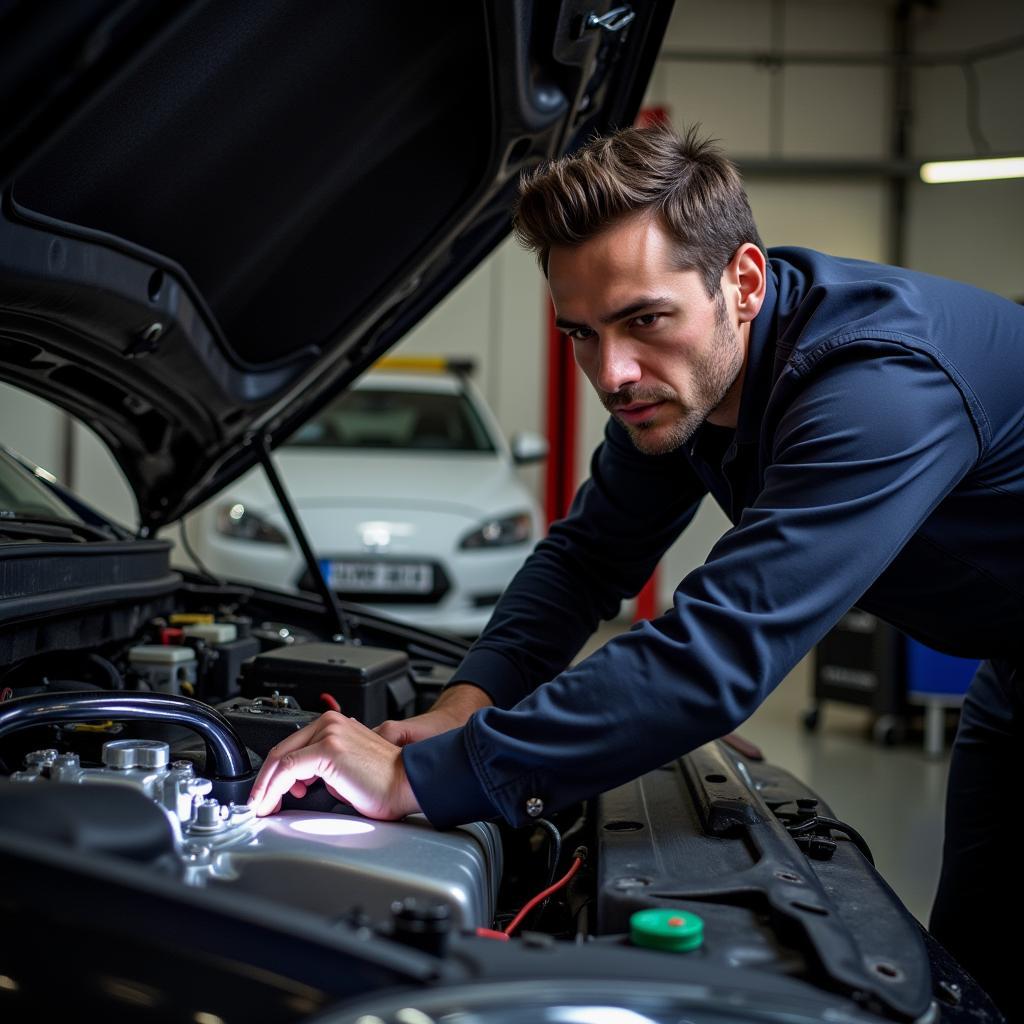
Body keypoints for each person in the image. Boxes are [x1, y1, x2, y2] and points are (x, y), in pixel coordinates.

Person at [248, 122, 1024, 1017]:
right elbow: (586, 560)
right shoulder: (683, 383)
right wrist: (470, 701)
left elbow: (713, 656)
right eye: (581, 333)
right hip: (1009, 670)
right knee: (977, 971)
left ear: (742, 281)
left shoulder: (879, 388)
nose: (612, 374)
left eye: (644, 320)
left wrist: (420, 780)